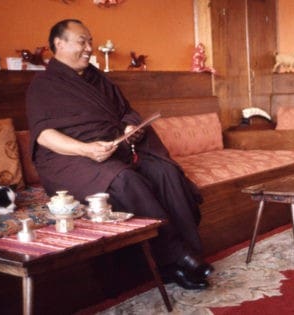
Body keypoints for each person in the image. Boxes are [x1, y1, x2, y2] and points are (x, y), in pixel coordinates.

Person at [26, 19, 213, 290]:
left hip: (114, 152)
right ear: (60, 43)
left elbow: (126, 110)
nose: (89, 48)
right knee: (125, 180)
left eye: (90, 41)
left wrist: (129, 125)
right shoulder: (43, 85)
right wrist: (86, 149)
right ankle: (175, 259)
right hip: (68, 160)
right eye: (82, 41)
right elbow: (43, 136)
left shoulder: (97, 78)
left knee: (165, 171)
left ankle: (192, 252)